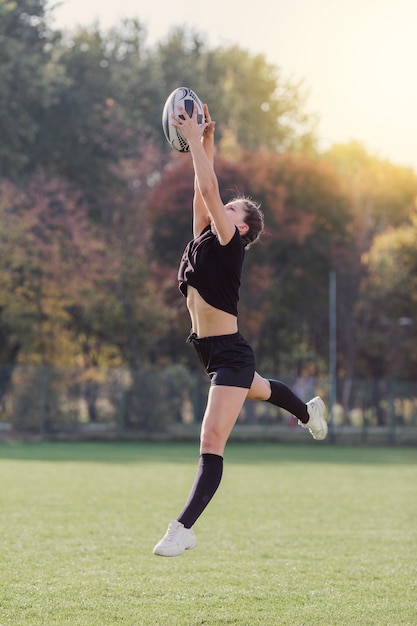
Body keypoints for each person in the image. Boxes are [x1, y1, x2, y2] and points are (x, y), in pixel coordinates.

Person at [153, 102, 327, 557]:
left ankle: (183, 528)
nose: (219, 207)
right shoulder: (204, 239)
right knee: (263, 389)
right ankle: (308, 412)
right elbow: (201, 191)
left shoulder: (231, 245)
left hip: (228, 354)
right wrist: (206, 140)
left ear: (242, 226)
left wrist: (194, 143)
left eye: (229, 208)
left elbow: (208, 187)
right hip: (212, 354)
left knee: (211, 440)